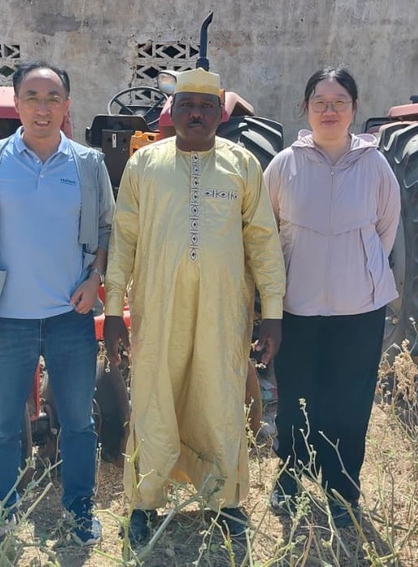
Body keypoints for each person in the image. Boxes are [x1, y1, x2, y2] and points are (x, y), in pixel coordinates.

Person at [103, 68, 286, 546]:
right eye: (187, 105)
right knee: (153, 397)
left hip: (223, 311)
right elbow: (123, 240)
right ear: (174, 112)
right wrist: (112, 311)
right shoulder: (145, 165)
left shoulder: (243, 165)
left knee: (220, 396)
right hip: (156, 309)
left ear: (221, 114)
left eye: (207, 106)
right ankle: (145, 502)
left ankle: (224, 501)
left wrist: (273, 313)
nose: (197, 114)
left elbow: (263, 242)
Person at [0, 61, 115, 552]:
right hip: (8, 320)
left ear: (67, 105)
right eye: (33, 97)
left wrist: (97, 278)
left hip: (70, 318)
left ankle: (80, 508)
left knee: (79, 421)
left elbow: (105, 229)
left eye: (53, 97)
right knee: (0, 425)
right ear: (16, 104)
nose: (43, 108)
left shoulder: (87, 164)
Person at [262, 67, 400, 528]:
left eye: (339, 101)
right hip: (296, 307)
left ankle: (342, 490)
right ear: (305, 108)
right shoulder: (285, 164)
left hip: (358, 310)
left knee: (349, 401)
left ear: (354, 110)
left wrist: (354, 274)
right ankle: (290, 481)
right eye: (319, 101)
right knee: (297, 396)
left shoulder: (376, 166)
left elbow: (385, 230)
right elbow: (267, 230)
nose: (329, 110)